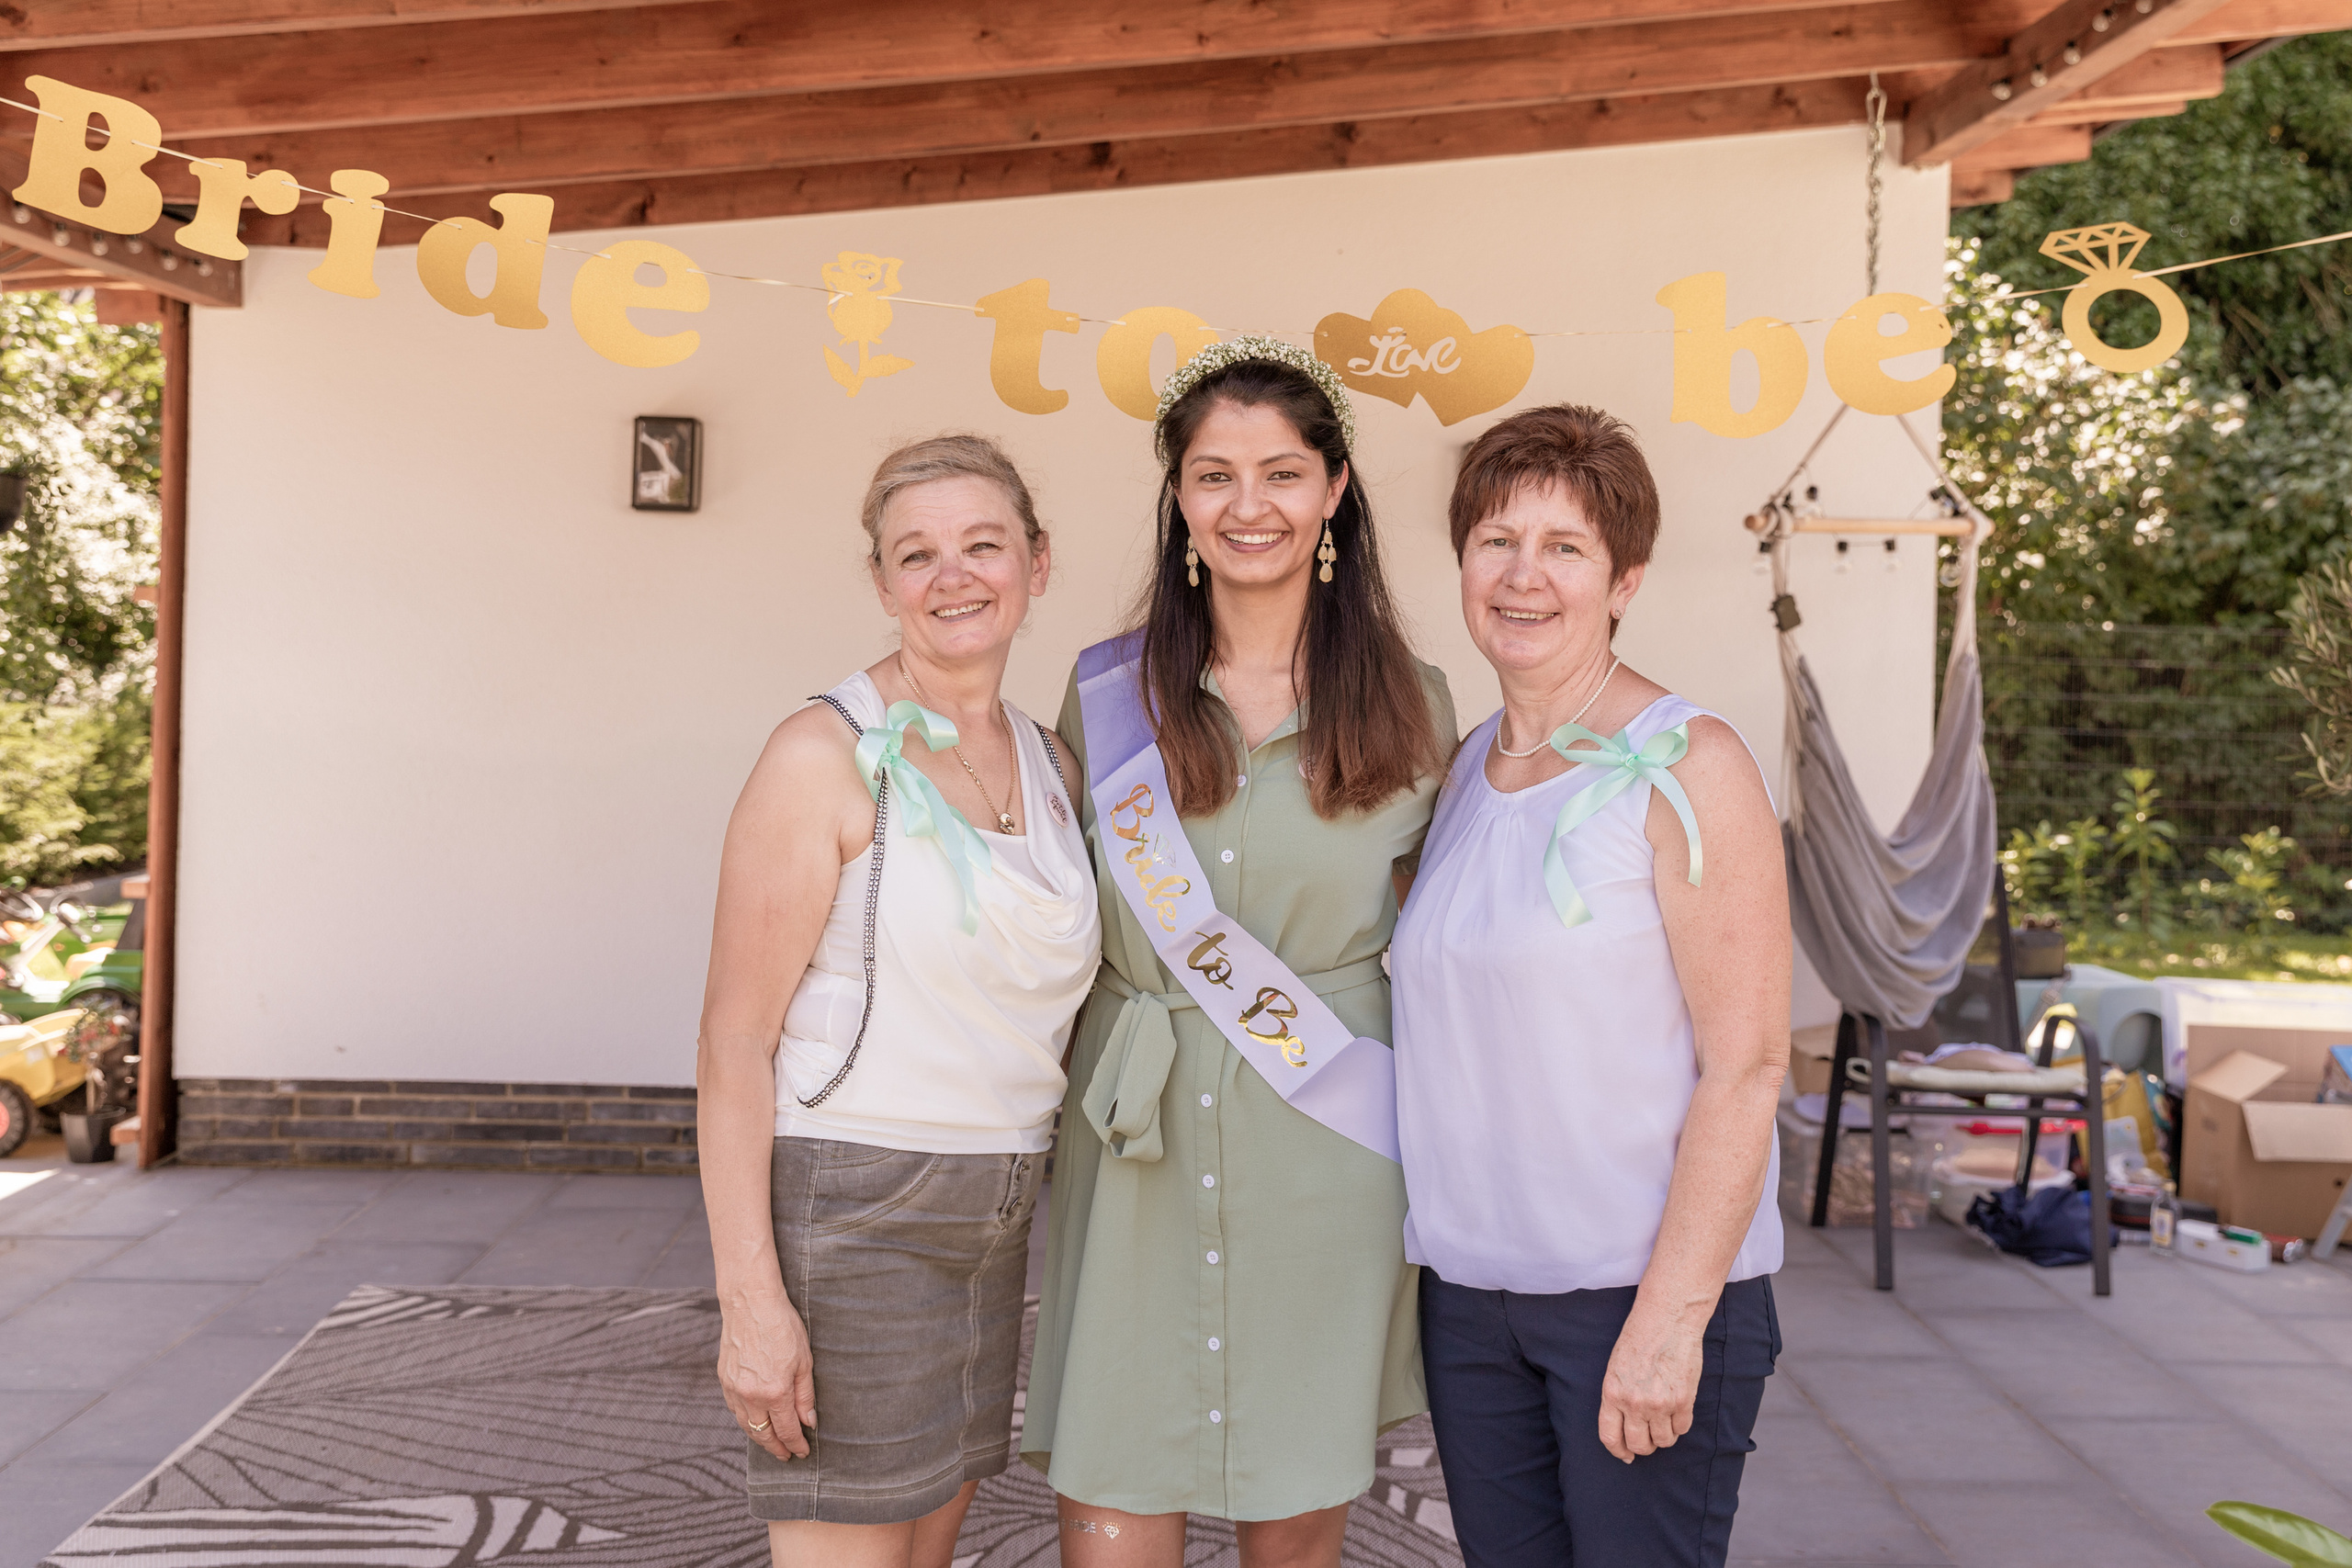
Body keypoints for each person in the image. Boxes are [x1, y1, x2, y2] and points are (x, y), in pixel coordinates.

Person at [1023, 336, 1455, 1568]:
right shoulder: (1106, 692)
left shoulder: (1417, 703)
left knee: (1296, 1510)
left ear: (1333, 490)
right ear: (1178, 500)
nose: (1247, 505)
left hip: (1326, 1138)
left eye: (1280, 472)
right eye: (1214, 475)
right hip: (1135, 1135)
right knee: (1115, 1485)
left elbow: (1443, 942)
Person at [1391, 404, 1790, 1568]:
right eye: (1495, 541)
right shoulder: (1466, 763)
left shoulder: (1687, 765)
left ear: (1624, 580)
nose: (1524, 576)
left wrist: (1669, 1325)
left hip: (1638, 1294)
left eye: (1564, 548)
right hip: (1469, 1301)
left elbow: (1749, 1065)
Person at [696, 434, 1102, 1568]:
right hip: (855, 1201)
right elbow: (734, 1039)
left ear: (1037, 561)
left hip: (1001, 1204)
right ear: (881, 582)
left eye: (984, 545)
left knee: (926, 1550)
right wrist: (751, 1307)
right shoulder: (819, 753)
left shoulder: (1050, 761)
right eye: (916, 554)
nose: (953, 576)